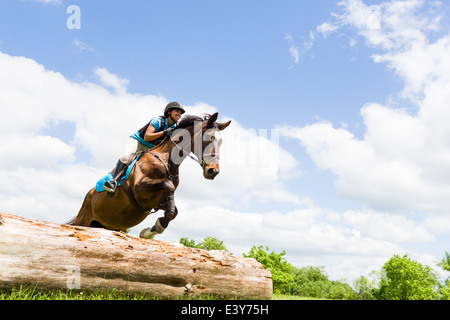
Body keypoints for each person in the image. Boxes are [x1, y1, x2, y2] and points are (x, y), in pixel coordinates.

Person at [103, 101, 185, 193]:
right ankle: (113, 182)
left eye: (181, 113)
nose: (179, 114)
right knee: (125, 157)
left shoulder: (175, 127)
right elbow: (147, 136)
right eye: (177, 111)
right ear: (169, 112)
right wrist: (164, 132)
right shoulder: (158, 120)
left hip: (150, 148)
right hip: (138, 141)